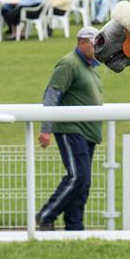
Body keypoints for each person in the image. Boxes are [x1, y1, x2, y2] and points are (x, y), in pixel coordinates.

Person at [35, 26, 103, 231]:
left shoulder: (91, 66)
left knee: (83, 183)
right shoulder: (69, 64)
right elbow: (51, 95)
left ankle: (75, 227)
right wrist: (46, 128)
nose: (97, 49)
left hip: (87, 131)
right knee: (78, 177)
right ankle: (45, 216)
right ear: (81, 42)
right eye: (94, 45)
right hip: (71, 129)